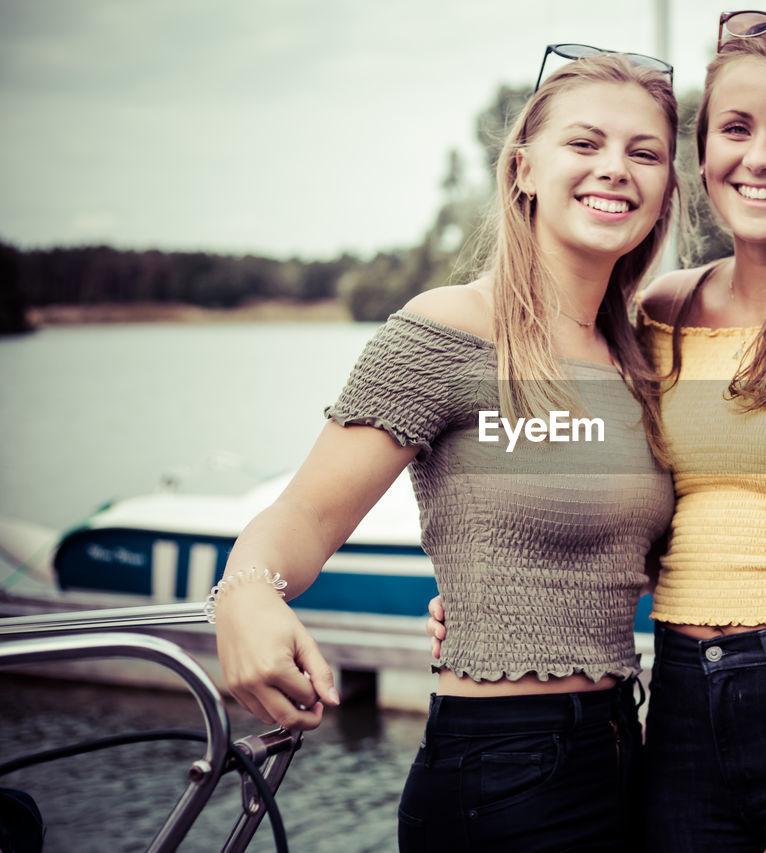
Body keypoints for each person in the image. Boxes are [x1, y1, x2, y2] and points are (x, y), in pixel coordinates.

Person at [425, 11, 766, 852]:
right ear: (703, 152)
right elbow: (625, 516)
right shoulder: (659, 311)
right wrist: (500, 595)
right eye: (737, 128)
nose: (761, 157)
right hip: (679, 713)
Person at [209, 47, 680, 853]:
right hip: (501, 773)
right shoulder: (451, 328)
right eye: (586, 143)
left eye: (645, 153)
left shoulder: (638, 355)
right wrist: (245, 593)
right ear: (523, 168)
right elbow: (306, 514)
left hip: (627, 749)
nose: (616, 169)